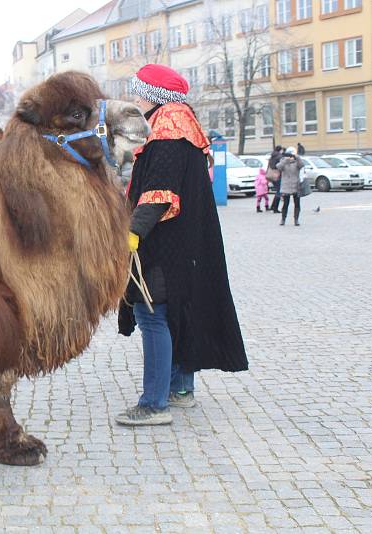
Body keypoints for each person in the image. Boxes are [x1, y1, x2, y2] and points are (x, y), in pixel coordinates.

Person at [115, 64, 248, 426]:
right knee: (174, 315)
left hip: (162, 245)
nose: (136, 102)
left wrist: (131, 235)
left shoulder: (168, 132)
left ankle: (154, 404)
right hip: (182, 245)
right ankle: (179, 390)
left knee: (152, 315)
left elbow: (159, 193)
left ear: (155, 97)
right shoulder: (180, 128)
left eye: (140, 94)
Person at [276, 147, 305, 226]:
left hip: (296, 185)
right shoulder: (283, 161)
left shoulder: (297, 161)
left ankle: (296, 220)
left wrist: (297, 157)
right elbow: (278, 167)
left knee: (297, 203)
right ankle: (283, 219)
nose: (291, 156)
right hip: (286, 185)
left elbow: (302, 165)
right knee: (285, 204)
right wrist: (285, 160)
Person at [268, 146, 284, 213]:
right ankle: (275, 208)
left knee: (278, 190)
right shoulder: (279, 156)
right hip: (278, 175)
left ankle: (272, 207)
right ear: (280, 150)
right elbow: (281, 166)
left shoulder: (272, 156)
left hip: (272, 175)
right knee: (279, 191)